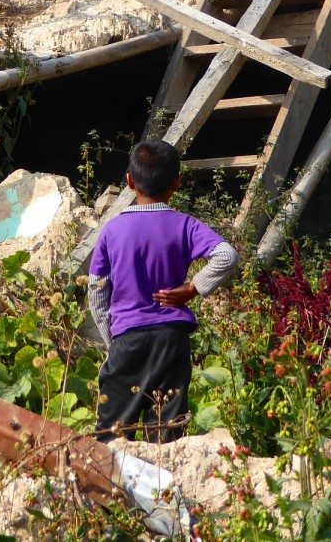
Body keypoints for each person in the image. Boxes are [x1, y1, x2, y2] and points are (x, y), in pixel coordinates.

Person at [88, 140, 241, 442]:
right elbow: (227, 255)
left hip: (128, 340)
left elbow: (96, 290)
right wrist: (191, 289)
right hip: (173, 338)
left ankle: (115, 488)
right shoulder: (184, 225)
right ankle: (166, 485)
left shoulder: (113, 230)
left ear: (130, 181)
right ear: (177, 183)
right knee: (167, 433)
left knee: (113, 435)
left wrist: (113, 338)